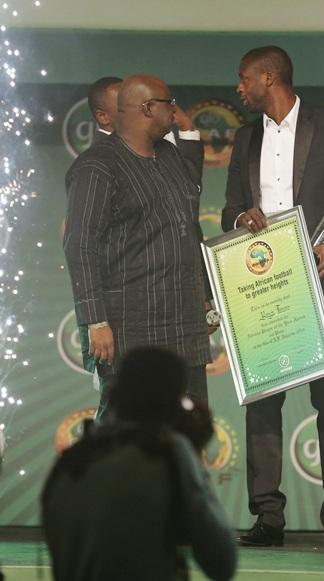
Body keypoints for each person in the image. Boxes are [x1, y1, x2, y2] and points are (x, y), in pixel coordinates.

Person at [222, 46, 324, 549]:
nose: (238, 88)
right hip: (266, 283)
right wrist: (239, 218)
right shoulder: (246, 136)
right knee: (264, 400)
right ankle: (268, 517)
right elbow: (230, 206)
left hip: (323, 276)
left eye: (244, 78)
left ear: (268, 77)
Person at [63, 75, 212, 419]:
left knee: (186, 432)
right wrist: (95, 321)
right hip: (131, 331)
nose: (174, 111)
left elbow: (189, 230)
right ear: (148, 108)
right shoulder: (96, 166)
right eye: (168, 103)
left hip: (184, 328)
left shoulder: (171, 157)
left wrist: (203, 295)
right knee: (126, 438)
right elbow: (80, 246)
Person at [41, 347, 237, 581]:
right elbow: (222, 562)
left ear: (115, 392)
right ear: (173, 403)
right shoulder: (169, 455)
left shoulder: (71, 461)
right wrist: (193, 455)